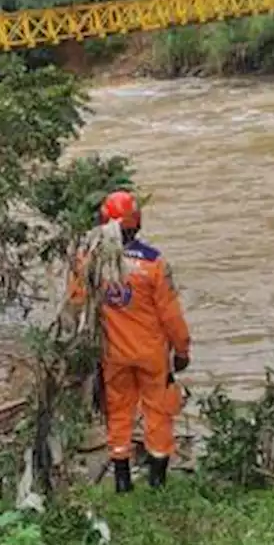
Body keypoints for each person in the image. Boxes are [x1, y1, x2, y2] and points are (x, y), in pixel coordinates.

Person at [70, 189, 192, 492]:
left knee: (119, 411)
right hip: (151, 354)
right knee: (158, 412)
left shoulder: (89, 260)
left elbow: (75, 303)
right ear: (136, 223)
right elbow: (171, 316)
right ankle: (158, 482)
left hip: (113, 353)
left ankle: (122, 481)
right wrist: (182, 349)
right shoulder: (153, 263)